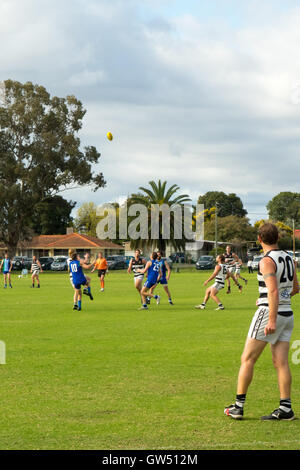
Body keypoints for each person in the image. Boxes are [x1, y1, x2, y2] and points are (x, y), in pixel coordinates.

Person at [224, 223, 299, 421]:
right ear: (278, 238)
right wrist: (274, 300)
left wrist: (271, 315)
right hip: (287, 314)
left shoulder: (266, 261)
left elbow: (273, 290)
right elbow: (295, 288)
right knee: (281, 362)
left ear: (259, 239)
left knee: (247, 359)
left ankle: (238, 407)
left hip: (270, 314)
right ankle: (286, 409)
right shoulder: (289, 258)